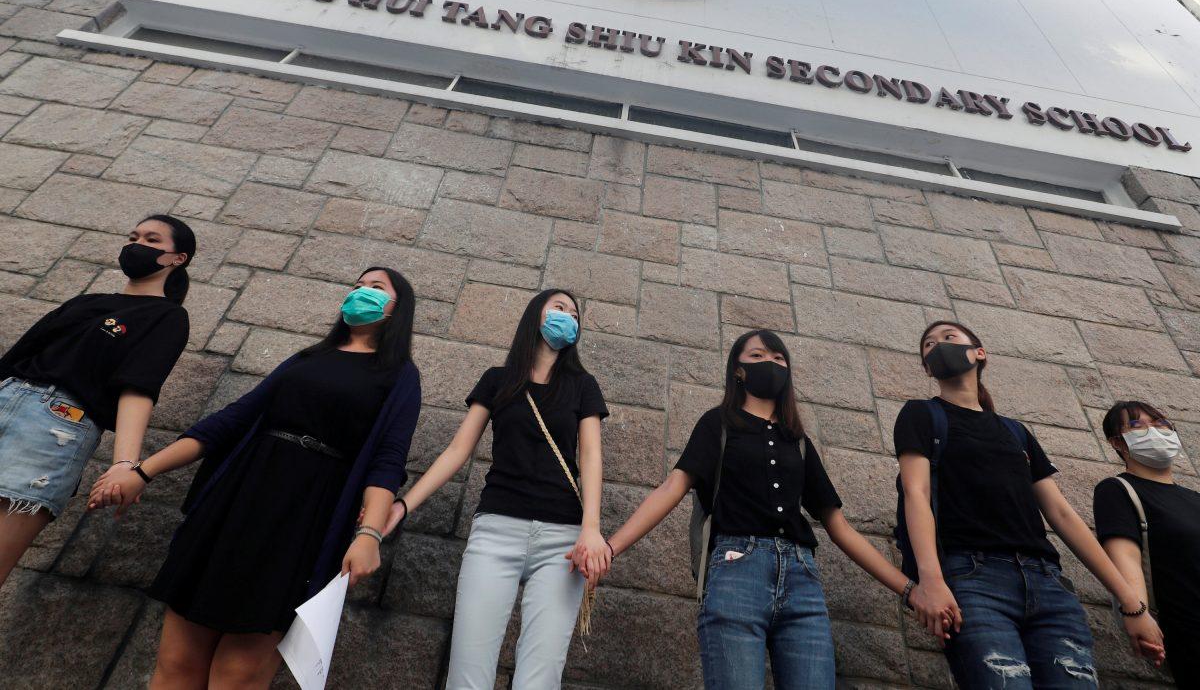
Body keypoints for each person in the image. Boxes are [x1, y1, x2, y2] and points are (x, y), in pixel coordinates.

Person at [88, 267, 420, 690]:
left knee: (239, 675)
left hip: (305, 520)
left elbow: (388, 461)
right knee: (177, 663)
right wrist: (142, 471)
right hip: (236, 502)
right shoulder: (308, 358)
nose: (361, 293)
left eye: (376, 288)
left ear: (398, 309)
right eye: (356, 285)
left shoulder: (399, 376)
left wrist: (369, 533)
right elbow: (230, 421)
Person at [600, 329, 930, 690]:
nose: (769, 364)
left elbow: (839, 526)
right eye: (757, 357)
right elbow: (672, 488)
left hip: (803, 578)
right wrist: (611, 547)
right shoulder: (718, 424)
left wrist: (910, 590)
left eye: (777, 358)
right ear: (737, 371)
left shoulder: (798, 440)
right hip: (736, 570)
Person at [895, 320, 1164, 689]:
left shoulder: (1015, 432)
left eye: (948, 338)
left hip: (1049, 585)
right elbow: (916, 494)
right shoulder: (921, 414)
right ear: (927, 368)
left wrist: (1133, 605)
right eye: (928, 345)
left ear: (980, 353)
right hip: (973, 581)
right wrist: (931, 580)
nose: (937, 345)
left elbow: (1062, 515)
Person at [380, 289, 608, 690]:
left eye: (574, 313)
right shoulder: (497, 380)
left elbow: (590, 456)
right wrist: (402, 506)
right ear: (534, 315)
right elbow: (457, 450)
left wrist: (591, 528)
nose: (568, 316)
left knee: (540, 678)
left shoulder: (582, 385)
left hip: (563, 541)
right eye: (559, 307)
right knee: (468, 671)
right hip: (496, 531)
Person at [0, 214, 194, 587]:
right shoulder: (87, 301)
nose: (137, 244)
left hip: (54, 427)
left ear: (177, 258)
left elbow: (137, 388)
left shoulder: (166, 317)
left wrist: (126, 463)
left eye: (153, 240)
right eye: (133, 235)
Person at [1094, 400, 1200, 687]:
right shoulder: (1118, 490)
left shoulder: (1194, 498)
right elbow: (1126, 557)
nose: (1155, 431)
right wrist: (1137, 613)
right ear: (1118, 442)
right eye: (1138, 425)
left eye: (1161, 423)